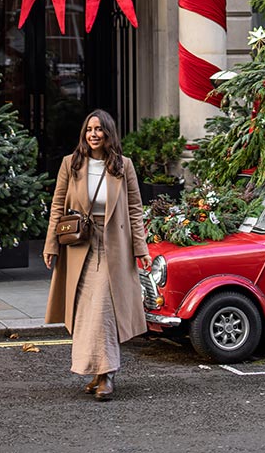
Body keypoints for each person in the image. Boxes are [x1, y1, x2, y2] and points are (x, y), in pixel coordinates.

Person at [43, 109, 152, 401]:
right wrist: (51, 245)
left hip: (114, 243)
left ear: (108, 133)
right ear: (84, 133)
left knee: (104, 306)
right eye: (89, 129)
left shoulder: (123, 166)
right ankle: (97, 371)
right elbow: (57, 206)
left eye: (99, 129)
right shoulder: (71, 164)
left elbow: (134, 210)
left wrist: (141, 249)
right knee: (84, 311)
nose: (93, 134)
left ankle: (106, 375)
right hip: (80, 244)